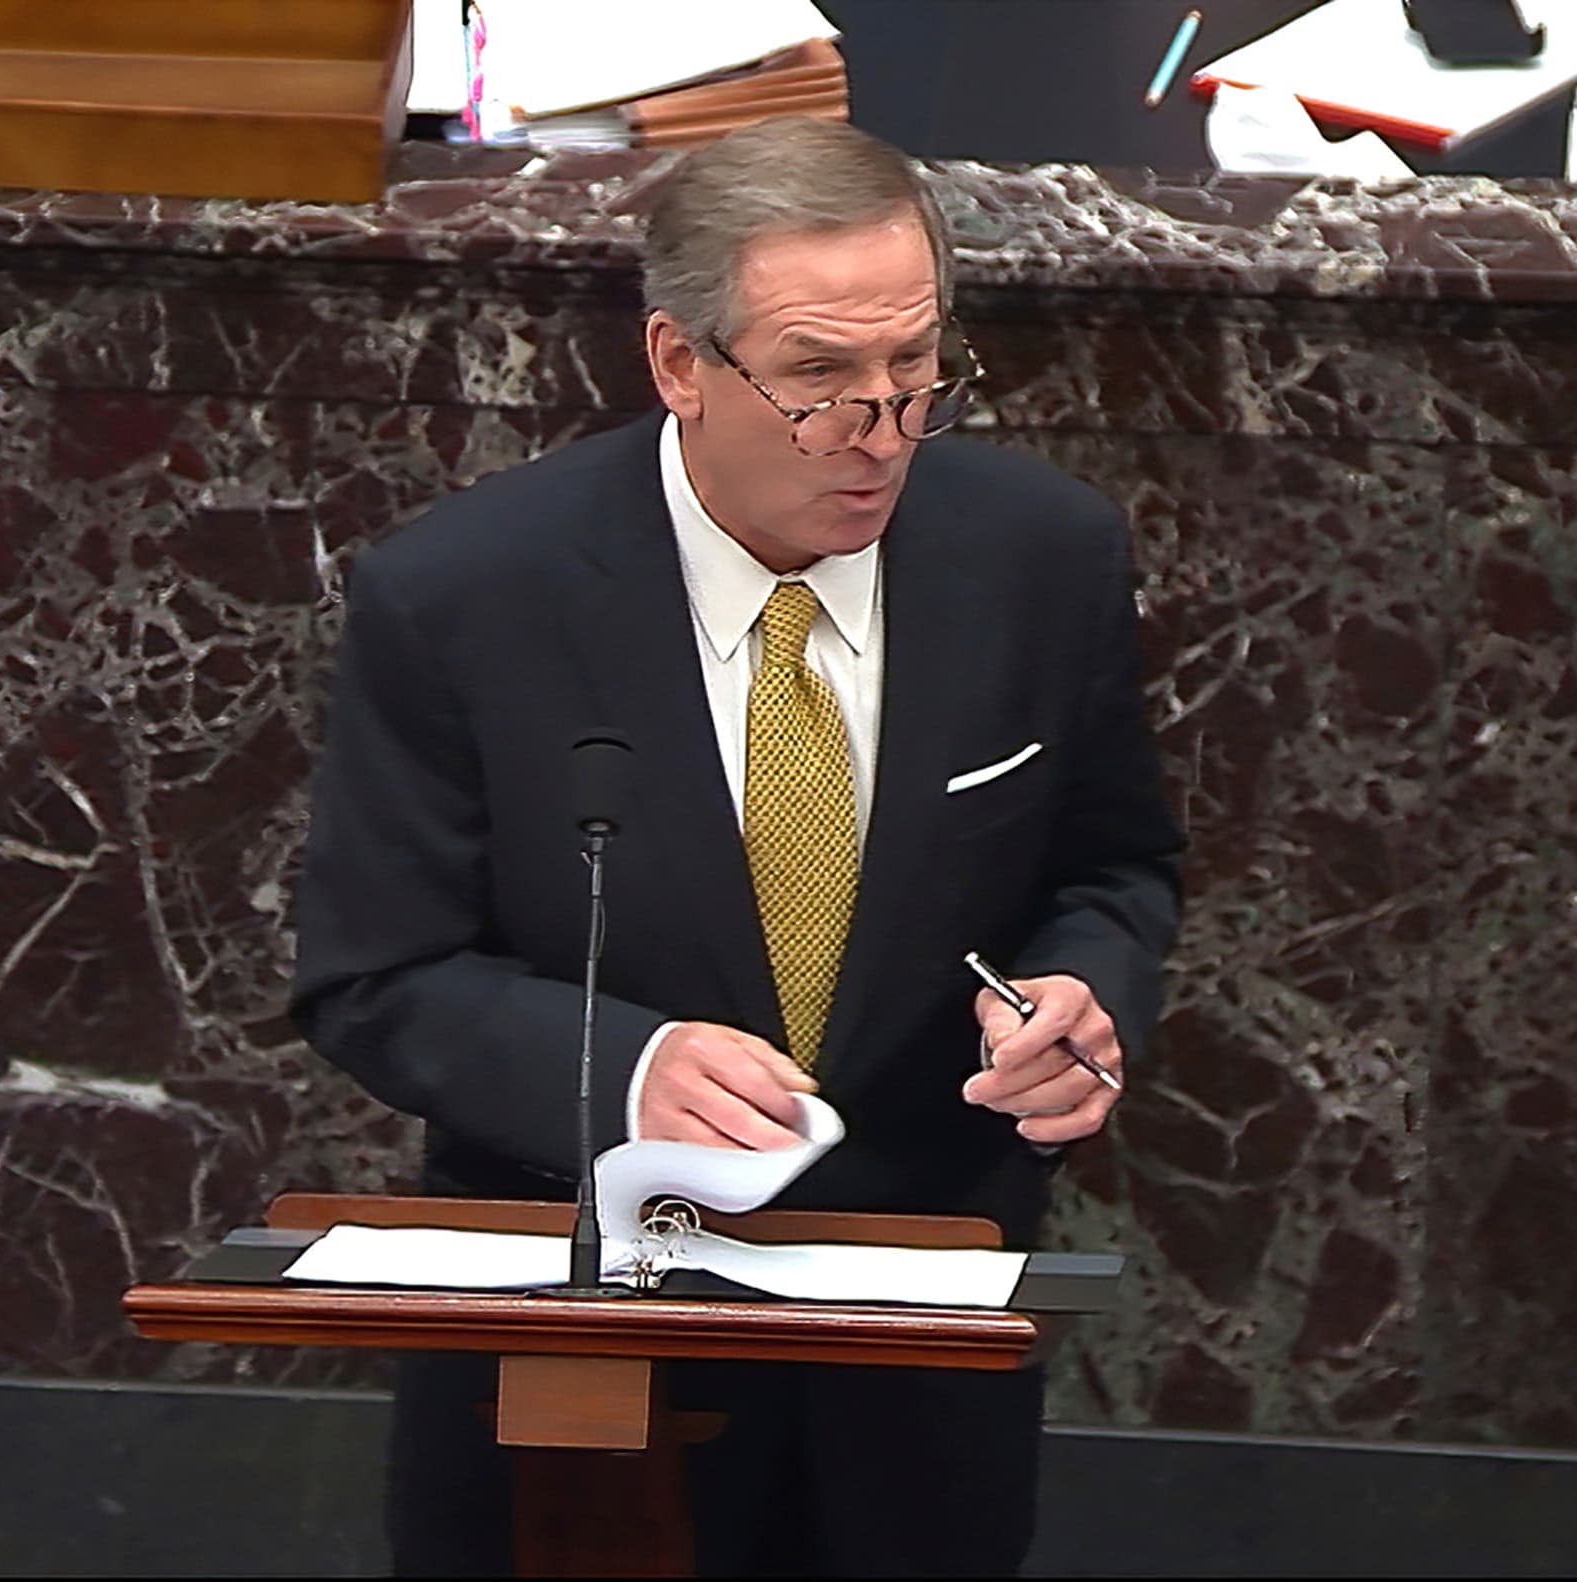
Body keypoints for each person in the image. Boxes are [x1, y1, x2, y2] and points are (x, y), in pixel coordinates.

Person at [290, 115, 1185, 1577]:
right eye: (821, 381)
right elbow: (375, 977)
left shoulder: (1042, 555)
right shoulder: (465, 599)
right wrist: (628, 1067)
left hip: (916, 1346)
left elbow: (1114, 866)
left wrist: (1081, 998)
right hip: (582, 1365)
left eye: (915, 374)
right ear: (679, 364)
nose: (880, 432)